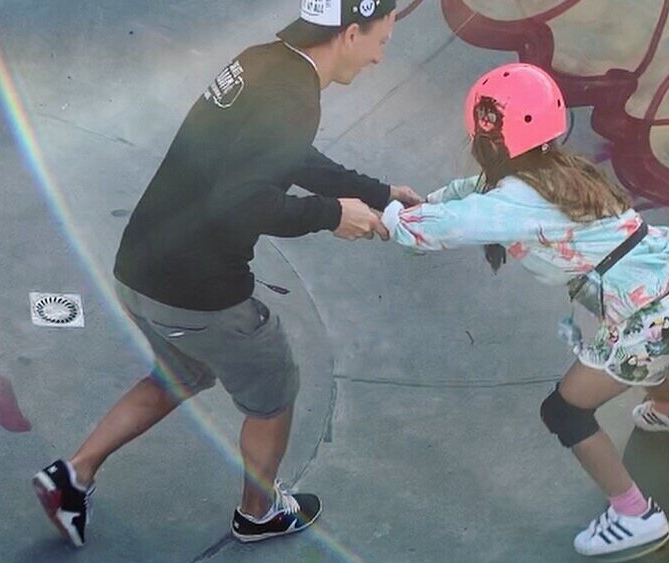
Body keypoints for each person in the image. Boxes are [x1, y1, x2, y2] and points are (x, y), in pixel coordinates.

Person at [32, 0, 423, 548]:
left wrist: (376, 193)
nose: (380, 57)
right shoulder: (293, 96)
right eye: (382, 41)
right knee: (274, 388)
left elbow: (290, 156)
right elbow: (241, 202)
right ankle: (258, 514)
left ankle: (71, 478)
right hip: (197, 292)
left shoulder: (264, 61)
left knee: (182, 372)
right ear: (351, 33)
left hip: (140, 266)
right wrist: (332, 215)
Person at [379, 63, 669, 557]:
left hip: (648, 319)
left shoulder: (516, 199)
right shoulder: (557, 169)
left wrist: (387, 219)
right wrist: (427, 201)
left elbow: (439, 229)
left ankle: (634, 514)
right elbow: (474, 195)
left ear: (486, 138)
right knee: (631, 349)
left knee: (564, 410)